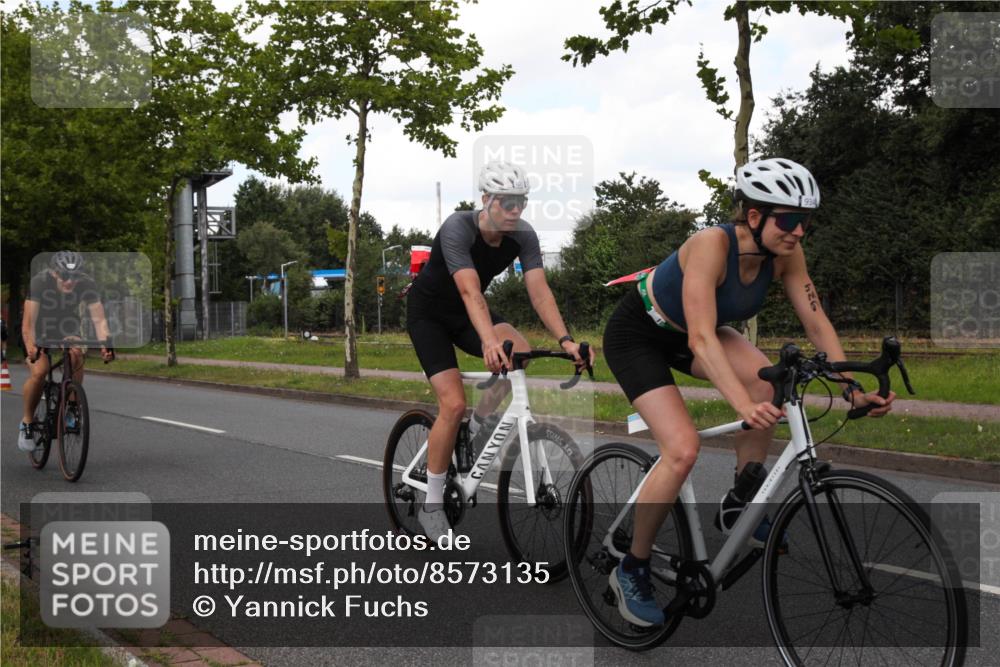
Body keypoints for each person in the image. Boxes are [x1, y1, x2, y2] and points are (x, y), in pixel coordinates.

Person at [601, 158, 896, 627]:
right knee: (682, 450)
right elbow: (700, 338)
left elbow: (815, 320)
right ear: (754, 216)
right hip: (640, 335)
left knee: (772, 379)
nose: (799, 232)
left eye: (806, 222)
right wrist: (742, 407)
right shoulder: (710, 245)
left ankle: (740, 498)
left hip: (698, 333)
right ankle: (630, 567)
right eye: (789, 220)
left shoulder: (786, 253)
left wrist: (850, 387)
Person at [406, 160, 594, 540]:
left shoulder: (523, 235)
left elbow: (540, 292)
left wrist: (566, 340)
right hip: (430, 315)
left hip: (467, 314)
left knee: (519, 356)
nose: (515, 211)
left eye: (520, 202)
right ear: (487, 199)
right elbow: (470, 291)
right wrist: (489, 341)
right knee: (452, 403)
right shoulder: (459, 228)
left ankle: (476, 428)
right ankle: (432, 504)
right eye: (506, 203)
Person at [17, 251, 115, 452]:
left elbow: (99, 319)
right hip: (39, 326)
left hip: (66, 325)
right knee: (40, 372)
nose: (70, 282)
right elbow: (28, 325)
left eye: (75, 277)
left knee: (76, 353)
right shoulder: (40, 282)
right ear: (54, 273)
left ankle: (71, 407)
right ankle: (26, 422)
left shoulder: (87, 284)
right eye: (64, 276)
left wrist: (106, 343)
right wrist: (32, 348)